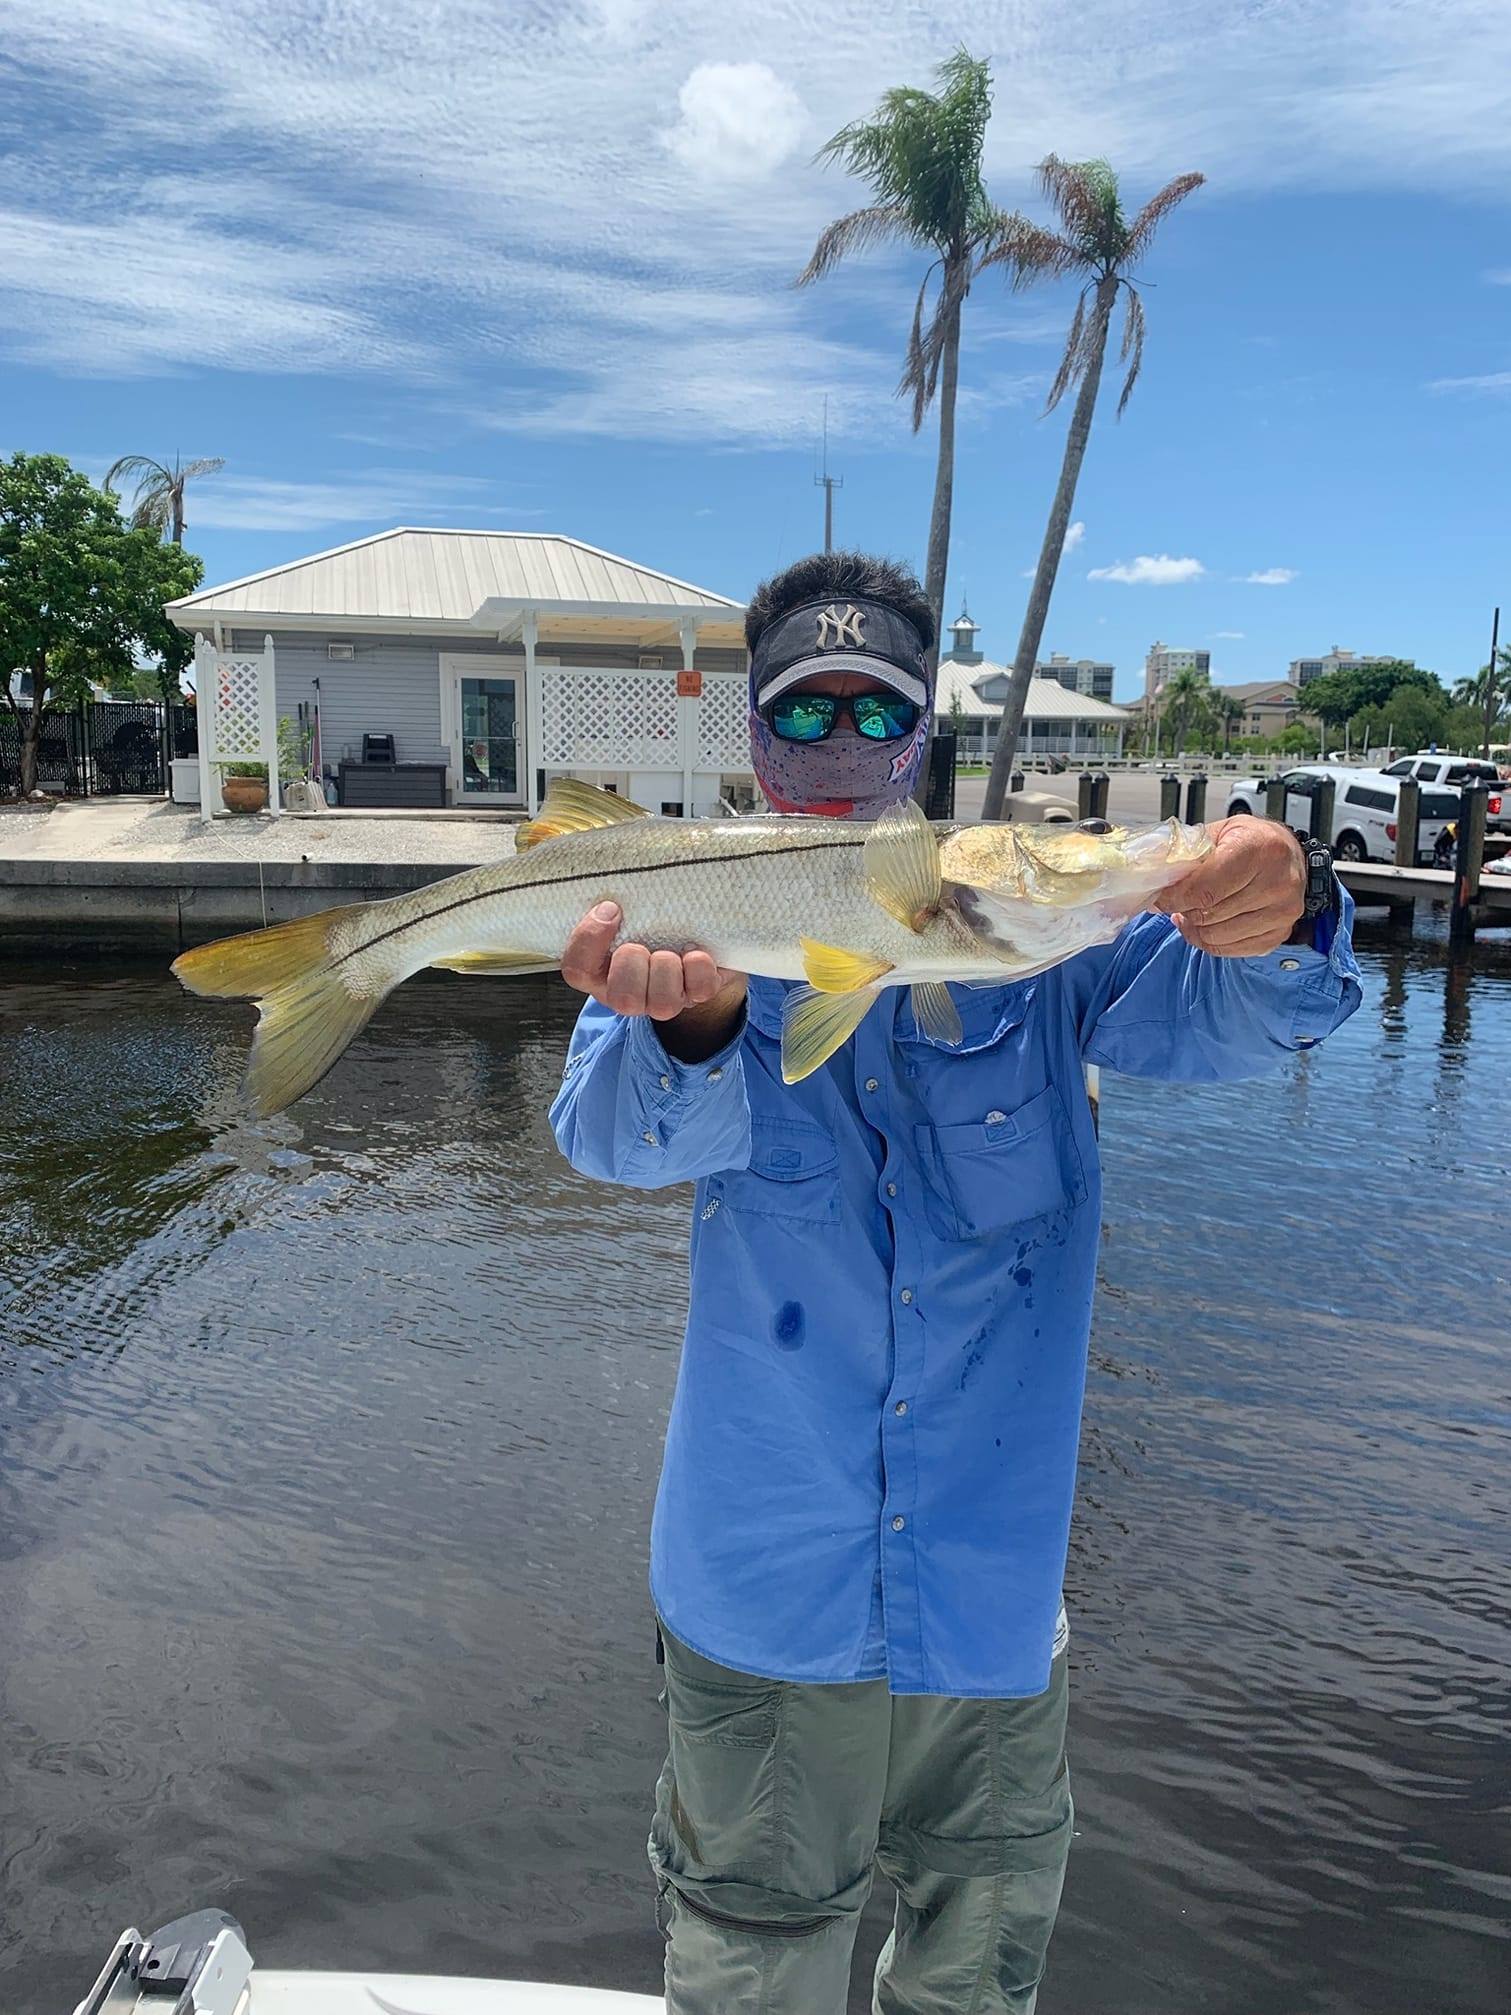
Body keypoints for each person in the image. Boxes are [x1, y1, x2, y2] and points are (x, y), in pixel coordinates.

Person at [549, 551, 1363, 2014]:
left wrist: (1289, 906)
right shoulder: (688, 917)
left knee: (977, 1981)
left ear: (927, 735)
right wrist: (694, 1030)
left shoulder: (1043, 942)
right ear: (752, 738)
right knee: (751, 1971)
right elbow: (604, 1141)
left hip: (990, 1603)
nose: (844, 744)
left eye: (879, 713)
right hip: (762, 1594)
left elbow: (1249, 1022)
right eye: (805, 716)